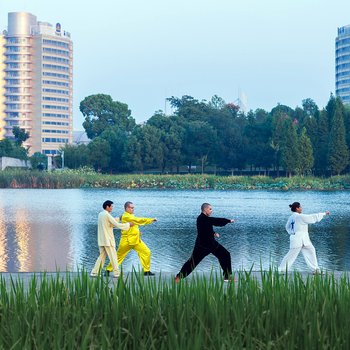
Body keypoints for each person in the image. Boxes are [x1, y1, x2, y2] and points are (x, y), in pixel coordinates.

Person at [175, 203, 235, 282]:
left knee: (225, 255)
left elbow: (206, 228)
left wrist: (213, 233)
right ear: (205, 209)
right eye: (210, 209)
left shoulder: (204, 219)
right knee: (192, 262)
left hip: (210, 244)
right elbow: (215, 221)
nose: (211, 211)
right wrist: (228, 221)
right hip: (203, 245)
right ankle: (178, 277)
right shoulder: (202, 218)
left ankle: (227, 277)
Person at [106, 201, 157, 276]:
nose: (133, 209)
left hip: (136, 240)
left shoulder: (131, 216)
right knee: (118, 257)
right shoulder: (126, 216)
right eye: (131, 208)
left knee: (147, 252)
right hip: (126, 241)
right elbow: (138, 220)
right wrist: (151, 220)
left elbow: (135, 225)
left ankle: (146, 271)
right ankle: (108, 270)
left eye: (133, 208)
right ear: (126, 208)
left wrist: (138, 233)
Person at [278, 202, 330, 274]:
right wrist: (324, 213)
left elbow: (287, 227)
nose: (301, 208)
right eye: (300, 207)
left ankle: (315, 270)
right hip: (298, 239)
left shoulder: (291, 217)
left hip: (302, 239)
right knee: (291, 255)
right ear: (297, 208)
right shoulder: (300, 216)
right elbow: (312, 217)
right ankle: (281, 270)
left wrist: (292, 233)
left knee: (311, 250)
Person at [90, 200, 133, 278]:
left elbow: (110, 223)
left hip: (102, 240)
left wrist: (119, 218)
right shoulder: (107, 215)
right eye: (111, 206)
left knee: (101, 257)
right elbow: (116, 225)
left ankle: (94, 272)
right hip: (108, 240)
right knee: (113, 257)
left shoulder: (101, 214)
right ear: (107, 207)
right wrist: (128, 224)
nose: (112, 208)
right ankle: (117, 273)